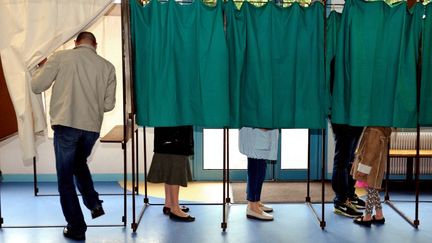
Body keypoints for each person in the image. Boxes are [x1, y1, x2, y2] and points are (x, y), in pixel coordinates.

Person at [31, 31, 116, 240]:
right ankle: (94, 203)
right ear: (95, 44)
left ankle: (76, 227)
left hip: (67, 123)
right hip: (91, 128)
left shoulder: (60, 57)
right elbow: (108, 104)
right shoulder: (107, 66)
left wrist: (42, 66)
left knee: (65, 178)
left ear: (76, 42)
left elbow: (36, 86)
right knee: (79, 164)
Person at [147, 126, 195, 222]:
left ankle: (169, 204)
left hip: (166, 134)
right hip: (176, 134)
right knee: (174, 170)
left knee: (169, 166)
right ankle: (175, 209)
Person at [351, 126, 392, 226]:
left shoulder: (374, 130)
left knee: (371, 189)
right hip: (374, 166)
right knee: (372, 189)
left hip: (370, 167)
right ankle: (379, 215)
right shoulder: (381, 129)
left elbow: (370, 151)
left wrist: (363, 168)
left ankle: (367, 217)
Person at [239, 127, 279, 221]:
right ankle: (252, 206)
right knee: (256, 167)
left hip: (259, 131)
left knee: (260, 167)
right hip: (256, 129)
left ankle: (255, 201)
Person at [331, 123, 365, 217]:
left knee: (350, 158)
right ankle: (341, 201)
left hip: (356, 119)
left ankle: (349, 196)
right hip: (343, 119)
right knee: (342, 160)